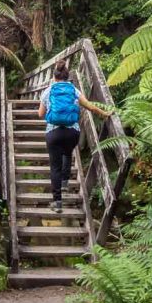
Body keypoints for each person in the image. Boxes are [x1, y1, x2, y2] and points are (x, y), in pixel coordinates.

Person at [38, 60, 111, 213]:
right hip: (72, 132)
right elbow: (90, 106)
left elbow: (41, 114)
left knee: (54, 167)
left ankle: (57, 203)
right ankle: (65, 183)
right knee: (67, 153)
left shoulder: (48, 91)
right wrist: (104, 114)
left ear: (54, 76)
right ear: (67, 76)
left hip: (53, 132)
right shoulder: (74, 90)